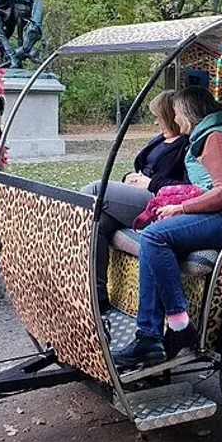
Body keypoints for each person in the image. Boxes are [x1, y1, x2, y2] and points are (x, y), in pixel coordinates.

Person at [112, 86, 222, 370]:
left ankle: (178, 325)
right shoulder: (206, 135)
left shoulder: (216, 138)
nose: (176, 118)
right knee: (154, 237)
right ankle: (149, 337)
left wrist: (180, 208)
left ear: (189, 113)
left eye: (177, 112)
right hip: (217, 211)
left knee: (155, 236)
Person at [81, 90, 190, 312]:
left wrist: (150, 183)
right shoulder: (160, 138)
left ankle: (65, 225)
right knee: (98, 224)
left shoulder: (187, 145)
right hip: (141, 191)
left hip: (161, 201)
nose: (155, 121)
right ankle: (97, 297)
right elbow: (142, 167)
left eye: (158, 116)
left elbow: (187, 187)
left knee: (95, 190)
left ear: (171, 115)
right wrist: (130, 178)